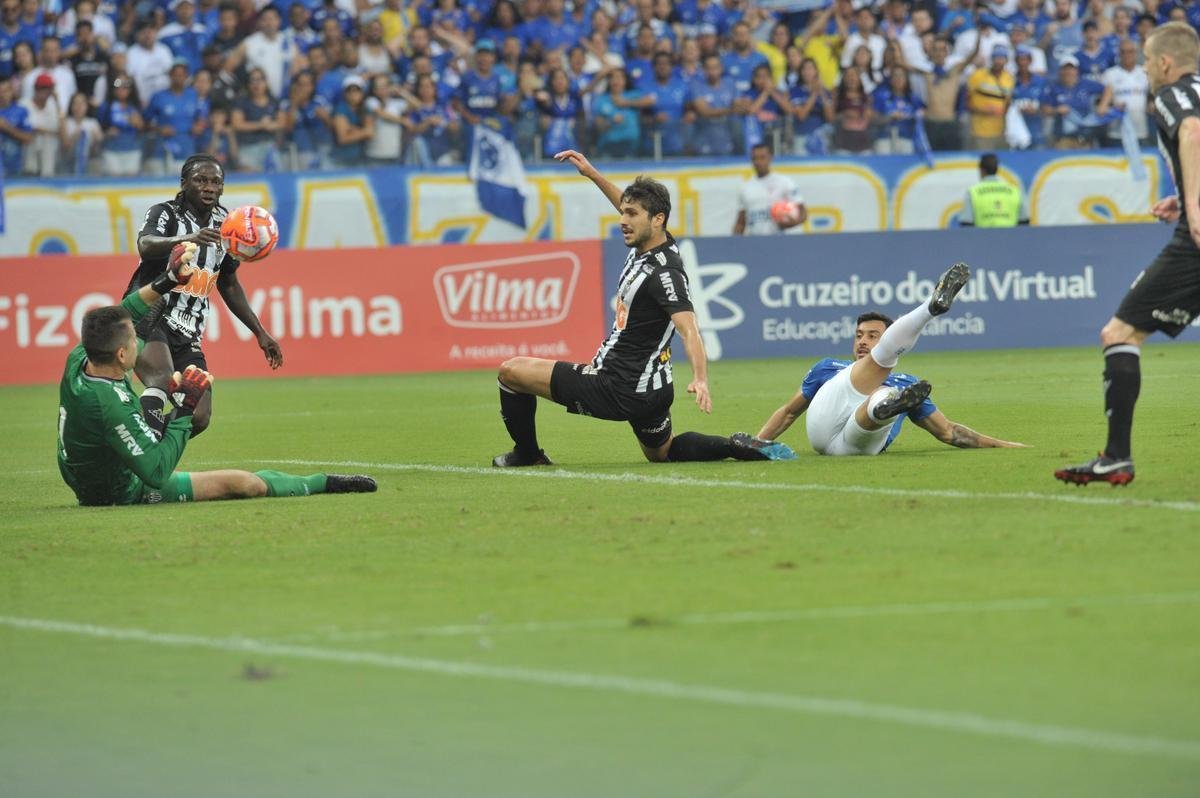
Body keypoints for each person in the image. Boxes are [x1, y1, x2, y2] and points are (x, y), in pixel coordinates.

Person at [491, 148, 796, 467]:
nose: (623, 220)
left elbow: (688, 328)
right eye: (623, 212)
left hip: (616, 386)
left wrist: (701, 378)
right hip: (654, 390)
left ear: (657, 219)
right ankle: (734, 446)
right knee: (662, 453)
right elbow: (632, 206)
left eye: (631, 214)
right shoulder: (658, 241)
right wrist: (593, 175)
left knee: (510, 372)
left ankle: (527, 454)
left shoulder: (664, 274)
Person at [58, 243, 376, 506]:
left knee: (147, 424)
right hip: (116, 491)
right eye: (133, 342)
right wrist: (184, 408)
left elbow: (130, 312)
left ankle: (152, 408)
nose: (139, 342)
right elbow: (155, 472)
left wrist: (167, 280)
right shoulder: (109, 403)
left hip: (81, 471)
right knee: (243, 484)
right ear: (122, 354)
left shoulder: (80, 357)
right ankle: (321, 483)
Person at [1056, 22, 1200, 486]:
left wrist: (1193, 206)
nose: (1145, 71)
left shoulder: (1172, 93)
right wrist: (1184, 194)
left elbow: (1193, 133)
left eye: (1145, 62)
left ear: (1163, 63)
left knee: (1119, 331)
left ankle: (1116, 456)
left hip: (1195, 239)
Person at [755, 271, 1025, 456]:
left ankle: (884, 408)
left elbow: (949, 432)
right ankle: (929, 309)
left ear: (887, 338)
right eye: (859, 335)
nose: (863, 341)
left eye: (873, 336)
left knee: (886, 395)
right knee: (880, 374)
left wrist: (1005, 446)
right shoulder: (828, 368)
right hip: (823, 428)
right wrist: (758, 443)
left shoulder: (905, 385)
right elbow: (790, 412)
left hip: (860, 443)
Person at [125, 153, 283, 441]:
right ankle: (143, 466)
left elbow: (229, 283)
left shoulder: (227, 224)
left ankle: (140, 442)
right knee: (161, 379)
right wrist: (187, 239)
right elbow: (145, 246)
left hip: (189, 330)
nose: (209, 187)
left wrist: (260, 332)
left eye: (215, 182)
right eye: (200, 180)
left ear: (222, 188)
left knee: (198, 416)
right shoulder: (166, 213)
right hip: (150, 315)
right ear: (184, 183)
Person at [733, 142, 805, 236]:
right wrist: (734, 243)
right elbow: (741, 222)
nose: (758, 162)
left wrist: (790, 224)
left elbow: (803, 213)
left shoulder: (785, 182)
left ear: (770, 158)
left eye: (762, 157)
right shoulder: (746, 188)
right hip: (755, 243)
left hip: (781, 241)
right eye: (754, 158)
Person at [960, 153, 1029, 227]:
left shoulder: (972, 192)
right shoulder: (1015, 192)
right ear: (997, 169)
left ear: (982, 170)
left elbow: (966, 223)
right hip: (1011, 237)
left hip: (983, 237)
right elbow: (1024, 222)